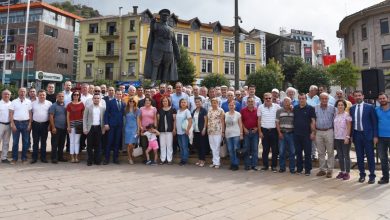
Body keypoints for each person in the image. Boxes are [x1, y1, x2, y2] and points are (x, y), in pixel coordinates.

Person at [144, 8, 180, 84]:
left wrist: (177, 54)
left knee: (166, 67)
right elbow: (153, 29)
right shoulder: (156, 25)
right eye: (163, 15)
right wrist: (152, 23)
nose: (165, 17)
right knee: (155, 65)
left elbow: (174, 42)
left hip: (169, 49)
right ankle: (153, 82)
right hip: (157, 48)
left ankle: (163, 82)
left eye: (167, 16)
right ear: (160, 16)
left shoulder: (171, 29)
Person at [350, 90, 378, 184]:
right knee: (359, 156)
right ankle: (362, 175)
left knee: (370, 156)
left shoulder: (370, 107)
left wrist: (375, 135)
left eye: (359, 95)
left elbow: (374, 122)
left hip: (368, 135)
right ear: (354, 97)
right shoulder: (352, 108)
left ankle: (372, 176)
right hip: (357, 135)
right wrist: (351, 136)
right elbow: (351, 123)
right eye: (356, 96)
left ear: (363, 96)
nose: (358, 97)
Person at [294, 93, 316, 176]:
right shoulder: (295, 108)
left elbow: (313, 121)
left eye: (303, 98)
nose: (301, 100)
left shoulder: (310, 108)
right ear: (298, 99)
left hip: (307, 134)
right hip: (296, 134)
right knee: (298, 152)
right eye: (300, 98)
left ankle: (308, 170)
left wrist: (313, 132)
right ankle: (299, 169)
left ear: (306, 99)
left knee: (307, 153)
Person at [314, 93, 336, 178]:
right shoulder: (315, 108)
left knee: (330, 151)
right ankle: (322, 170)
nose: (324, 100)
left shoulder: (333, 108)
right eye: (322, 98)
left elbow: (336, 119)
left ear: (328, 99)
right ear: (319, 99)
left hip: (329, 131)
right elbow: (313, 120)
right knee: (320, 152)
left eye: (326, 99)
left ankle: (330, 170)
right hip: (318, 132)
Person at [258, 93, 280, 172]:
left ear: (272, 98)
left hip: (274, 131)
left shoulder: (277, 107)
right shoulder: (260, 107)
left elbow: (282, 114)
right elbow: (259, 120)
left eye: (269, 98)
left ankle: (274, 166)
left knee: (274, 149)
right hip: (264, 131)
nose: (268, 99)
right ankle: (265, 165)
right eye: (266, 98)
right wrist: (260, 131)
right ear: (263, 99)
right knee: (265, 149)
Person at [9, 88, 32, 164]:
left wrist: (29, 124)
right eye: (21, 91)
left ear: (26, 93)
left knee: (25, 142)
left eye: (24, 91)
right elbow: (11, 114)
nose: (22, 93)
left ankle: (24, 158)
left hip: (26, 124)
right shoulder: (14, 102)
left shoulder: (29, 102)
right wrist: (12, 124)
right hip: (16, 123)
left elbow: (30, 114)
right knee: (15, 142)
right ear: (18, 92)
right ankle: (14, 158)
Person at [83, 94, 105, 166]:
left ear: (100, 99)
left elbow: (104, 120)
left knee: (98, 145)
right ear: (92, 99)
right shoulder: (88, 107)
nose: (96, 99)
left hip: (99, 128)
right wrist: (85, 128)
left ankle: (97, 160)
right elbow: (84, 118)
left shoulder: (102, 108)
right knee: (89, 145)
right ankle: (89, 160)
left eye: (98, 98)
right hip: (90, 128)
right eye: (95, 98)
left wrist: (103, 129)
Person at [104, 90, 125, 164]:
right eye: (117, 94)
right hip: (111, 125)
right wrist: (106, 123)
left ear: (122, 95)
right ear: (115, 94)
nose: (119, 95)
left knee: (117, 142)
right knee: (109, 142)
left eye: (120, 94)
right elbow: (106, 113)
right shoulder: (110, 102)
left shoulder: (123, 103)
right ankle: (106, 159)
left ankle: (115, 159)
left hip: (119, 126)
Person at [31, 90, 52, 164]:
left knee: (43, 142)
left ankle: (43, 157)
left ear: (45, 95)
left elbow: (50, 115)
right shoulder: (33, 103)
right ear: (38, 95)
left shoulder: (49, 103)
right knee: (35, 141)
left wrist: (49, 125)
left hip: (45, 125)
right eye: (40, 95)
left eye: (43, 95)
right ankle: (34, 158)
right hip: (35, 124)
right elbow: (30, 114)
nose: (42, 96)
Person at [333, 99, 352, 180]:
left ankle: (347, 173)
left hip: (345, 138)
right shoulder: (336, 115)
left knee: (346, 156)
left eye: (342, 105)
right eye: (339, 105)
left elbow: (349, 126)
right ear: (337, 106)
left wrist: (347, 137)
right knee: (340, 156)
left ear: (344, 106)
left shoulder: (347, 115)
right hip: (337, 138)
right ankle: (342, 171)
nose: (340, 106)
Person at [276, 97, 295, 173]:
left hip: (291, 134)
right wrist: (279, 133)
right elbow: (277, 122)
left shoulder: (293, 110)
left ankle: (292, 168)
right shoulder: (279, 111)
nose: (287, 103)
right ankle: (282, 167)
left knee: (292, 152)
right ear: (283, 102)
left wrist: (293, 109)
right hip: (282, 133)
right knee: (281, 152)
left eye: (288, 101)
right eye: (285, 101)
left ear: (291, 102)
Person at [241, 96, 260, 171]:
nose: (250, 103)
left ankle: (254, 165)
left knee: (255, 149)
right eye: (249, 101)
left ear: (254, 102)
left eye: (252, 101)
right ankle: (247, 165)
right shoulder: (243, 110)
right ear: (246, 102)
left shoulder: (257, 110)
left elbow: (260, 120)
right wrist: (244, 128)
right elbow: (241, 121)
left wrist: (257, 128)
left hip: (255, 132)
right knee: (246, 149)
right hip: (246, 131)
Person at [49, 92, 67, 163]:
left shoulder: (66, 105)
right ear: (57, 97)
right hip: (56, 127)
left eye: (62, 96)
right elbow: (51, 117)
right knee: (55, 143)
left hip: (64, 128)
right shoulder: (54, 106)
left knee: (62, 144)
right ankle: (54, 158)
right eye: (59, 96)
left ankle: (60, 157)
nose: (61, 97)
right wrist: (53, 127)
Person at [66, 91, 84, 163]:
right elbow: (67, 116)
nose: (76, 96)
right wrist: (68, 126)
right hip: (72, 124)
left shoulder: (82, 104)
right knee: (71, 141)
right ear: (72, 96)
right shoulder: (69, 105)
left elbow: (83, 116)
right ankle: (72, 157)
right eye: (74, 95)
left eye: (77, 95)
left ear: (79, 96)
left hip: (79, 124)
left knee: (77, 141)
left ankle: (76, 157)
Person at [157, 96, 176, 165]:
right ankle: (162, 159)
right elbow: (158, 120)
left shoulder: (173, 110)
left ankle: (169, 159)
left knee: (169, 145)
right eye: (163, 101)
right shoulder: (159, 110)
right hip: (161, 130)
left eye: (166, 101)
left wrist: (174, 129)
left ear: (169, 102)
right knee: (162, 145)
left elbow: (174, 120)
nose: (165, 102)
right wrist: (157, 130)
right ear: (162, 102)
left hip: (170, 130)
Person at [225, 100, 243, 171]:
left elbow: (240, 124)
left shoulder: (238, 114)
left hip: (236, 134)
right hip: (228, 134)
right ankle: (232, 163)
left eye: (232, 105)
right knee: (230, 150)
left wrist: (241, 134)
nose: (231, 106)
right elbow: (224, 124)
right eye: (230, 105)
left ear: (235, 106)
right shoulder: (226, 114)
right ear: (228, 106)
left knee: (236, 149)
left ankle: (236, 164)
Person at [376, 93, 390, 184]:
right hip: (381, 138)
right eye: (380, 99)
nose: (382, 100)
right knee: (383, 158)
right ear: (378, 100)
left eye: (383, 98)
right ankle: (385, 177)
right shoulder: (376, 110)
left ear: (387, 98)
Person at [207, 98, 225, 169]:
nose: (214, 104)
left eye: (215, 102)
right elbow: (208, 120)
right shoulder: (209, 110)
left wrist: (223, 131)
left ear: (218, 103)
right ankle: (214, 162)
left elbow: (223, 121)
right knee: (212, 147)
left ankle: (217, 163)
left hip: (218, 131)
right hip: (210, 131)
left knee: (217, 147)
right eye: (212, 102)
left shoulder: (221, 110)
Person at [175, 98, 192, 165]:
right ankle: (182, 158)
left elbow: (190, 121)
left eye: (184, 102)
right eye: (182, 102)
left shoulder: (187, 111)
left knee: (185, 146)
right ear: (180, 103)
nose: (183, 103)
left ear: (187, 104)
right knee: (181, 146)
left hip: (184, 131)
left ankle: (184, 160)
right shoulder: (178, 111)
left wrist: (187, 130)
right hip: (178, 131)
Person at [124, 97, 140, 165]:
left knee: (132, 144)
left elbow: (138, 120)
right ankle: (130, 157)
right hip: (127, 128)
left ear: (135, 102)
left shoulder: (137, 110)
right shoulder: (125, 109)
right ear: (128, 102)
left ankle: (131, 156)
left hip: (134, 128)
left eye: (133, 101)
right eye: (130, 101)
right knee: (129, 144)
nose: (131, 102)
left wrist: (138, 129)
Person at [192, 97, 207, 167]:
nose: (197, 103)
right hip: (195, 130)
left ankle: (203, 160)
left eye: (199, 102)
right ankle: (199, 159)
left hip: (202, 130)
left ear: (201, 102)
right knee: (197, 146)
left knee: (202, 146)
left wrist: (204, 128)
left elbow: (206, 120)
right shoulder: (194, 111)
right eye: (196, 102)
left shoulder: (204, 110)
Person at [0, 89, 12, 163]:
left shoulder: (12, 104)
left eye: (8, 94)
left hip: (8, 125)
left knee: (6, 142)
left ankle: (4, 158)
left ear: (10, 96)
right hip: (0, 124)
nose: (6, 95)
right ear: (2, 95)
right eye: (5, 94)